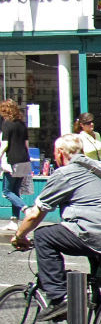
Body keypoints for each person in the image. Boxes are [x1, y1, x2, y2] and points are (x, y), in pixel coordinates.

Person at [10, 134, 101, 323]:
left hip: (96, 231)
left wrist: (19, 236)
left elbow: (36, 214)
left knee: (43, 236)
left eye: (55, 153)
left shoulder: (65, 173)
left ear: (61, 153)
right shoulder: (99, 167)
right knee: (100, 287)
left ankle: (59, 297)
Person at [0, 99, 32, 232]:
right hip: (24, 160)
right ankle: (14, 221)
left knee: (7, 192)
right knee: (16, 191)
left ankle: (26, 208)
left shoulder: (7, 124)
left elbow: (5, 145)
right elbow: (26, 144)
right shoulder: (22, 124)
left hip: (12, 161)